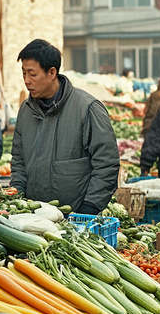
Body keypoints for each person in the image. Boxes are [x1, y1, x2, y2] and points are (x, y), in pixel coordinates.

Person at [10, 39, 119, 214]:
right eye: (23, 74)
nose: (27, 81)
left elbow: (107, 164)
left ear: (52, 72)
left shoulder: (87, 108)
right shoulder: (26, 110)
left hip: (77, 218)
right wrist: (18, 194)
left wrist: (88, 209)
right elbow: (18, 159)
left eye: (32, 74)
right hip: (33, 219)